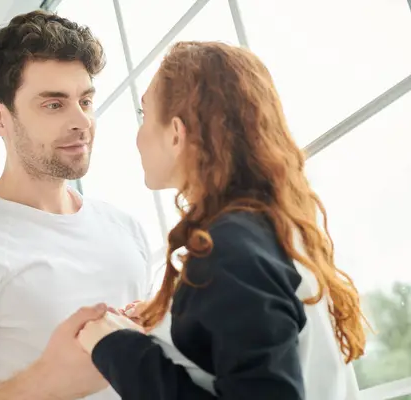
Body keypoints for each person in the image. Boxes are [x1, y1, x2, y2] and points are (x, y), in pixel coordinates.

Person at [76, 41, 367, 399]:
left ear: (176, 133)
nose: (138, 136)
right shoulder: (276, 234)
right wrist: (169, 325)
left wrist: (113, 346)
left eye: (144, 115)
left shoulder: (230, 250)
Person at [0, 10, 151, 400]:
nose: (81, 121)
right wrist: (49, 379)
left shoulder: (126, 229)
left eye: (85, 100)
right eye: (54, 105)